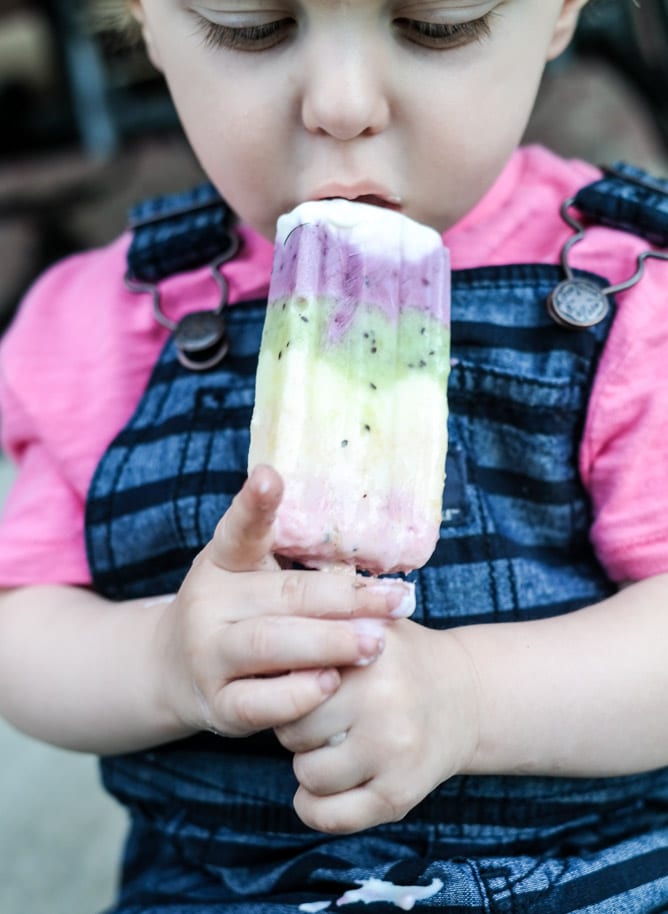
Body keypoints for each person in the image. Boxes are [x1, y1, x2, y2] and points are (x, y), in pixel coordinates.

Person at [1, 0, 668, 911]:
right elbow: (23, 628)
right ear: (147, 18)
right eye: (250, 27)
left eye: (438, 24)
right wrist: (161, 661)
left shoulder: (631, 299)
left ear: (556, 13)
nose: (343, 105)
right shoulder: (96, 326)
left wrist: (470, 700)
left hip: (589, 874)